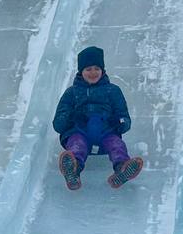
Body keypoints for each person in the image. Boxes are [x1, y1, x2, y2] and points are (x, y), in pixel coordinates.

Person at [52, 46, 144, 190]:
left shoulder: (112, 91)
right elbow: (58, 124)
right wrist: (69, 117)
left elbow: (125, 119)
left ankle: (122, 168)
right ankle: (72, 171)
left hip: (106, 132)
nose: (93, 72)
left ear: (103, 70)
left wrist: (119, 122)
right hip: (79, 131)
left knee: (116, 145)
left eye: (97, 68)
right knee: (77, 145)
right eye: (88, 69)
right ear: (81, 72)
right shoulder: (72, 93)